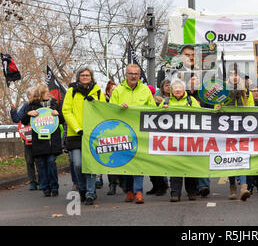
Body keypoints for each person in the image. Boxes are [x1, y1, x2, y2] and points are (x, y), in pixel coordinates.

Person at [109, 64, 156, 204]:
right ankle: (128, 190)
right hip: (123, 132)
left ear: (139, 75)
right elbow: (110, 110)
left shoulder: (146, 91)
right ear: (126, 74)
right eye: (131, 73)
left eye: (136, 73)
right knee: (126, 164)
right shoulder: (118, 91)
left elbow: (152, 109)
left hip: (140, 132)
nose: (134, 76)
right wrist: (119, 109)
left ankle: (138, 191)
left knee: (138, 163)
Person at [62, 66, 106, 205]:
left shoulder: (98, 91)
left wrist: (95, 103)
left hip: (92, 134)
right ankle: (82, 188)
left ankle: (90, 193)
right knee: (77, 164)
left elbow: (104, 110)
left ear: (91, 77)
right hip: (75, 134)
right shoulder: (71, 91)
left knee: (90, 165)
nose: (85, 77)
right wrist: (77, 128)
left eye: (88, 75)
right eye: (83, 75)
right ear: (78, 77)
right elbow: (66, 111)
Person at [216, 63, 254, 201]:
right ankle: (232, 187)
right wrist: (219, 107)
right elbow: (216, 106)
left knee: (242, 155)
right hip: (227, 128)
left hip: (242, 127)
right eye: (232, 74)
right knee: (230, 156)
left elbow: (252, 109)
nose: (235, 77)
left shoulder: (247, 91)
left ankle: (244, 187)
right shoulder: (222, 90)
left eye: (237, 74)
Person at [160, 79, 201, 202]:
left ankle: (192, 192)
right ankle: (175, 193)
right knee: (175, 167)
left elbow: (200, 115)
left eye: (180, 87)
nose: (177, 89)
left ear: (184, 90)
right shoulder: (166, 102)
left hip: (190, 140)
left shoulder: (191, 101)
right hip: (173, 141)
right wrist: (163, 110)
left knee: (190, 166)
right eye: (175, 87)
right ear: (171, 90)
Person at [21, 85, 64, 197]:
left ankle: (54, 187)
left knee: (51, 163)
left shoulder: (54, 103)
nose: (48, 94)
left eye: (48, 92)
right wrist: (28, 114)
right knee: (41, 165)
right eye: (45, 92)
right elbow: (24, 121)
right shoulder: (31, 106)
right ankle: (45, 188)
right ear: (40, 94)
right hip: (39, 141)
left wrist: (57, 114)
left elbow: (62, 120)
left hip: (52, 142)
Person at [10, 87, 40, 191]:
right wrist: (13, 111)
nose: (32, 97)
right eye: (30, 95)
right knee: (29, 160)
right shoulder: (25, 106)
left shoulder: (41, 105)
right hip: (27, 137)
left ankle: (42, 181)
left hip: (40, 137)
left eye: (34, 95)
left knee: (40, 160)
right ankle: (32, 182)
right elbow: (17, 119)